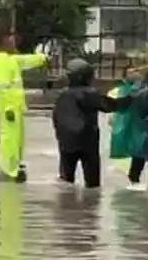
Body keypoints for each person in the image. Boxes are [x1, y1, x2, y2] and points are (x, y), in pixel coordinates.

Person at [51, 58, 133, 188]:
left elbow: (55, 117)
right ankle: (90, 201)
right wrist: (131, 99)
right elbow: (108, 105)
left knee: (66, 179)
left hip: (66, 141)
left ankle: (66, 200)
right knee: (92, 181)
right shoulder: (89, 93)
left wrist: (60, 135)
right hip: (87, 139)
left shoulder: (62, 94)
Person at [0, 31, 48, 182]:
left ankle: (16, 164)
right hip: (9, 106)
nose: (13, 44)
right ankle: (10, 168)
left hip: (15, 105)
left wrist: (43, 58)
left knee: (18, 137)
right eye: (10, 41)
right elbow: (3, 87)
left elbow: (26, 60)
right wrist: (8, 108)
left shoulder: (10, 59)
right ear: (1, 43)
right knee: (10, 138)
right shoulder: (0, 61)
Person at [108, 66, 148, 185]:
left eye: (135, 71)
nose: (134, 74)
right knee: (129, 149)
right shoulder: (121, 90)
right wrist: (112, 116)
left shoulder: (145, 88)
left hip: (139, 123)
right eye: (130, 72)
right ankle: (131, 177)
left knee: (140, 149)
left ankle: (134, 177)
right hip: (125, 123)